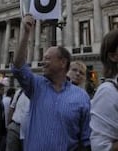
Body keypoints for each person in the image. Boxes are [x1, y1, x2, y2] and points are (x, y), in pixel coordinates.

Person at [12, 14, 91, 151]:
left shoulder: (82, 97)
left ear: (62, 63)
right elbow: (18, 68)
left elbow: (86, 139)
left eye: (47, 59)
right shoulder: (36, 86)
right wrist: (25, 33)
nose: (43, 62)